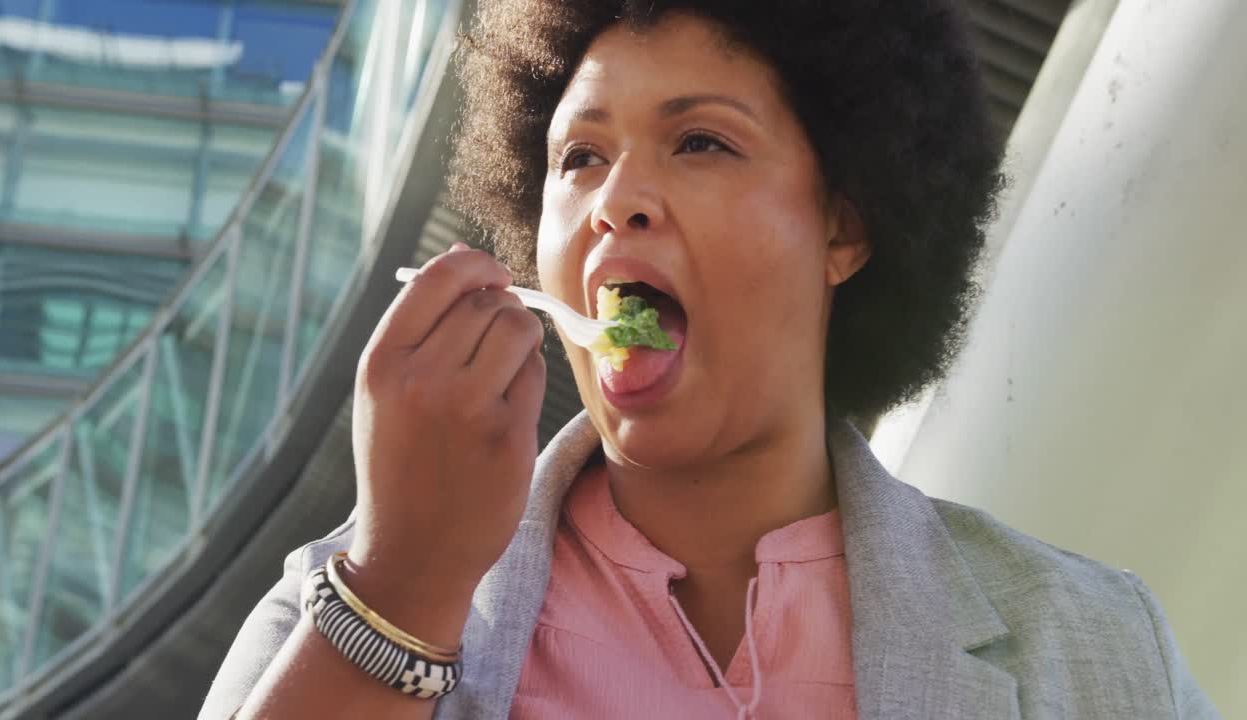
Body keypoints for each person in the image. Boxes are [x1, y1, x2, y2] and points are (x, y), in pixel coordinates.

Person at [199, 1, 1220, 718]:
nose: (615, 200)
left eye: (699, 143)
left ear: (842, 227)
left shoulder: (1084, 649)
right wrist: (403, 598)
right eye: (578, 158)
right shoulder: (336, 607)